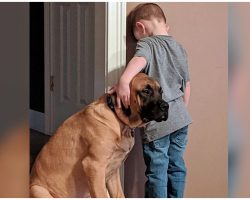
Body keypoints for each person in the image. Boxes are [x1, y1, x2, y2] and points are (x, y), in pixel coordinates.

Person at [110, 3, 192, 198]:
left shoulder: (148, 44)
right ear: (166, 26)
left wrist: (124, 80)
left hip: (159, 123)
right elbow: (186, 85)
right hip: (182, 118)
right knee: (176, 165)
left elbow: (140, 60)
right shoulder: (180, 48)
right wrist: (180, 109)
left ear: (141, 27)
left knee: (158, 170)